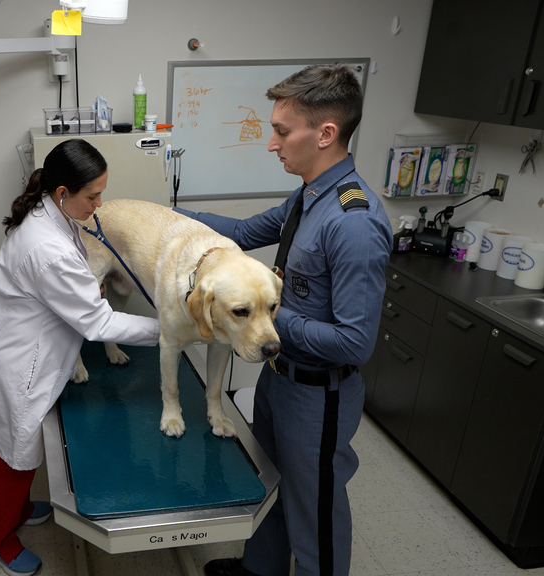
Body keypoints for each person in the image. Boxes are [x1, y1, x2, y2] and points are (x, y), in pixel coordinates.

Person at [175, 65, 392, 576]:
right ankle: (260, 570)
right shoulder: (308, 196)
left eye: (281, 130)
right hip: (278, 378)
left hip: (319, 395)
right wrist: (166, 219)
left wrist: (262, 322)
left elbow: (354, 343)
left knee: (315, 512)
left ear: (325, 133)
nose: (272, 143)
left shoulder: (353, 222)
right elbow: (247, 230)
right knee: (269, 483)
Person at [0, 139, 161, 576]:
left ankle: (15, 512)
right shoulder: (44, 245)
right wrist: (171, 334)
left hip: (22, 346)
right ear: (62, 192)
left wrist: (85, 291)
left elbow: (69, 290)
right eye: (92, 195)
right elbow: (98, 325)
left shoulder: (49, 215)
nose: (99, 203)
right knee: (11, 457)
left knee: (17, 450)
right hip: (20, 364)